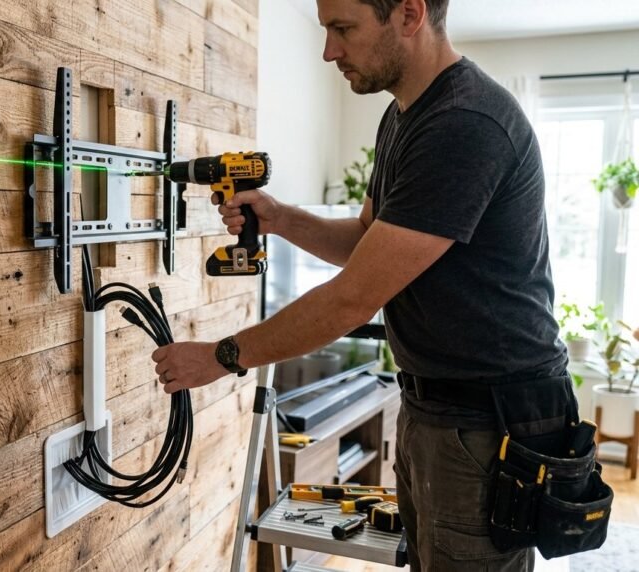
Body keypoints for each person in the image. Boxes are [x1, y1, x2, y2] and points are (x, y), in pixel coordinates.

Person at [151, 0, 579, 570]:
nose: (328, 49)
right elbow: (366, 238)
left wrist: (221, 356)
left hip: (488, 421)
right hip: (434, 406)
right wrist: (282, 219)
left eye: (342, 28)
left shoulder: (464, 124)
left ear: (409, 14)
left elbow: (353, 297)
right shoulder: (403, 114)